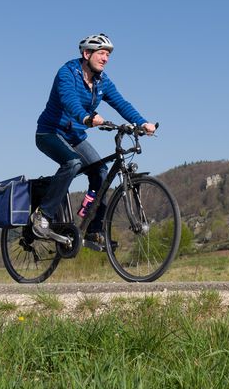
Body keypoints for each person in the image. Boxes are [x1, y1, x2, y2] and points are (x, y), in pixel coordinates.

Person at [31, 33, 156, 248]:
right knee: (72, 163)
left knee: (100, 172)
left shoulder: (102, 81)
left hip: (75, 136)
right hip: (50, 133)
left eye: (108, 54)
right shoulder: (67, 73)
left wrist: (142, 122)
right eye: (101, 53)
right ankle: (42, 216)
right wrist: (86, 117)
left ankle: (93, 229)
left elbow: (120, 103)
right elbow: (69, 100)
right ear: (86, 53)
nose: (105, 58)